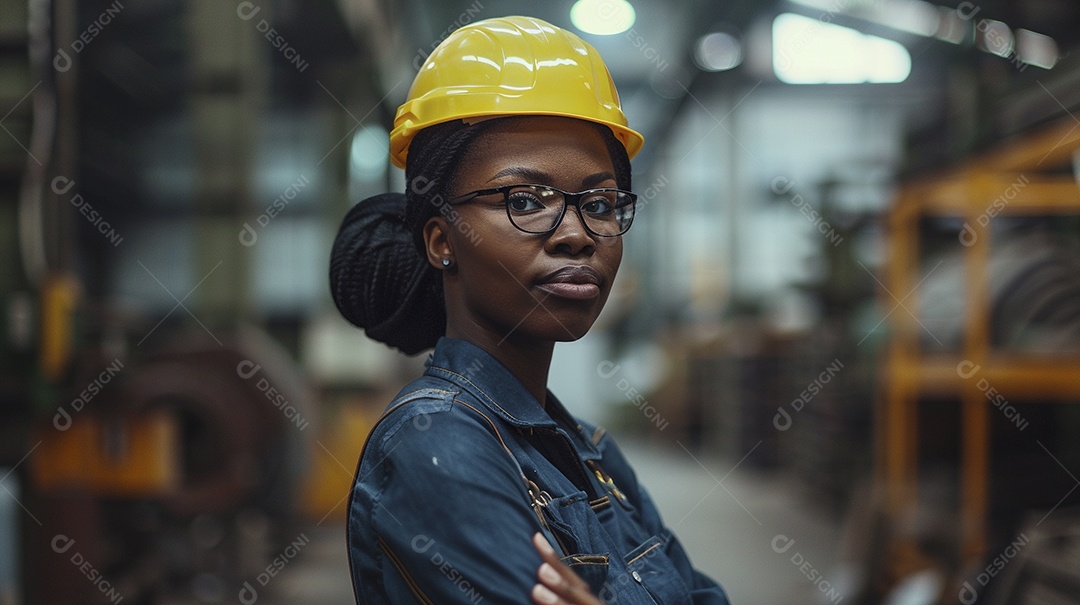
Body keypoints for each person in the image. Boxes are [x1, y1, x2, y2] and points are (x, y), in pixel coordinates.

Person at [330, 15, 730, 605]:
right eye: (525, 200)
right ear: (442, 241)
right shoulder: (437, 447)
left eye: (599, 202)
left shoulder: (589, 451)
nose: (577, 234)